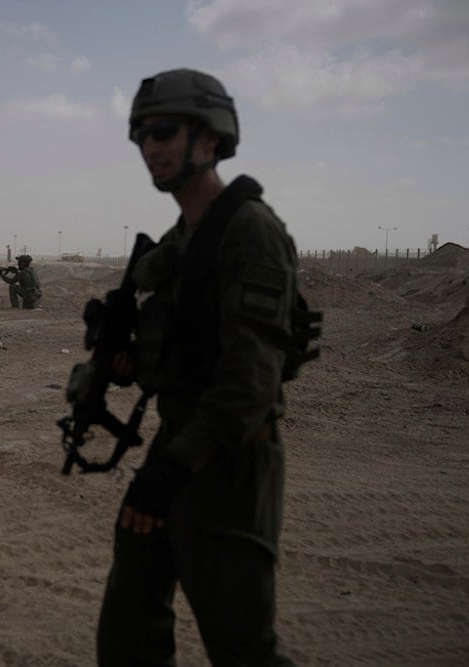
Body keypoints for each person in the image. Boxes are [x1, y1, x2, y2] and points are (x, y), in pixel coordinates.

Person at [95, 68, 297, 665]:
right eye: (140, 137)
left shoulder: (250, 232)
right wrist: (133, 363)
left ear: (210, 139)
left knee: (242, 649)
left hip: (229, 465)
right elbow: (192, 352)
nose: (149, 147)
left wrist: (171, 471)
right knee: (129, 627)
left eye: (162, 131)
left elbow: (249, 386)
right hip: (180, 446)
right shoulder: (183, 237)